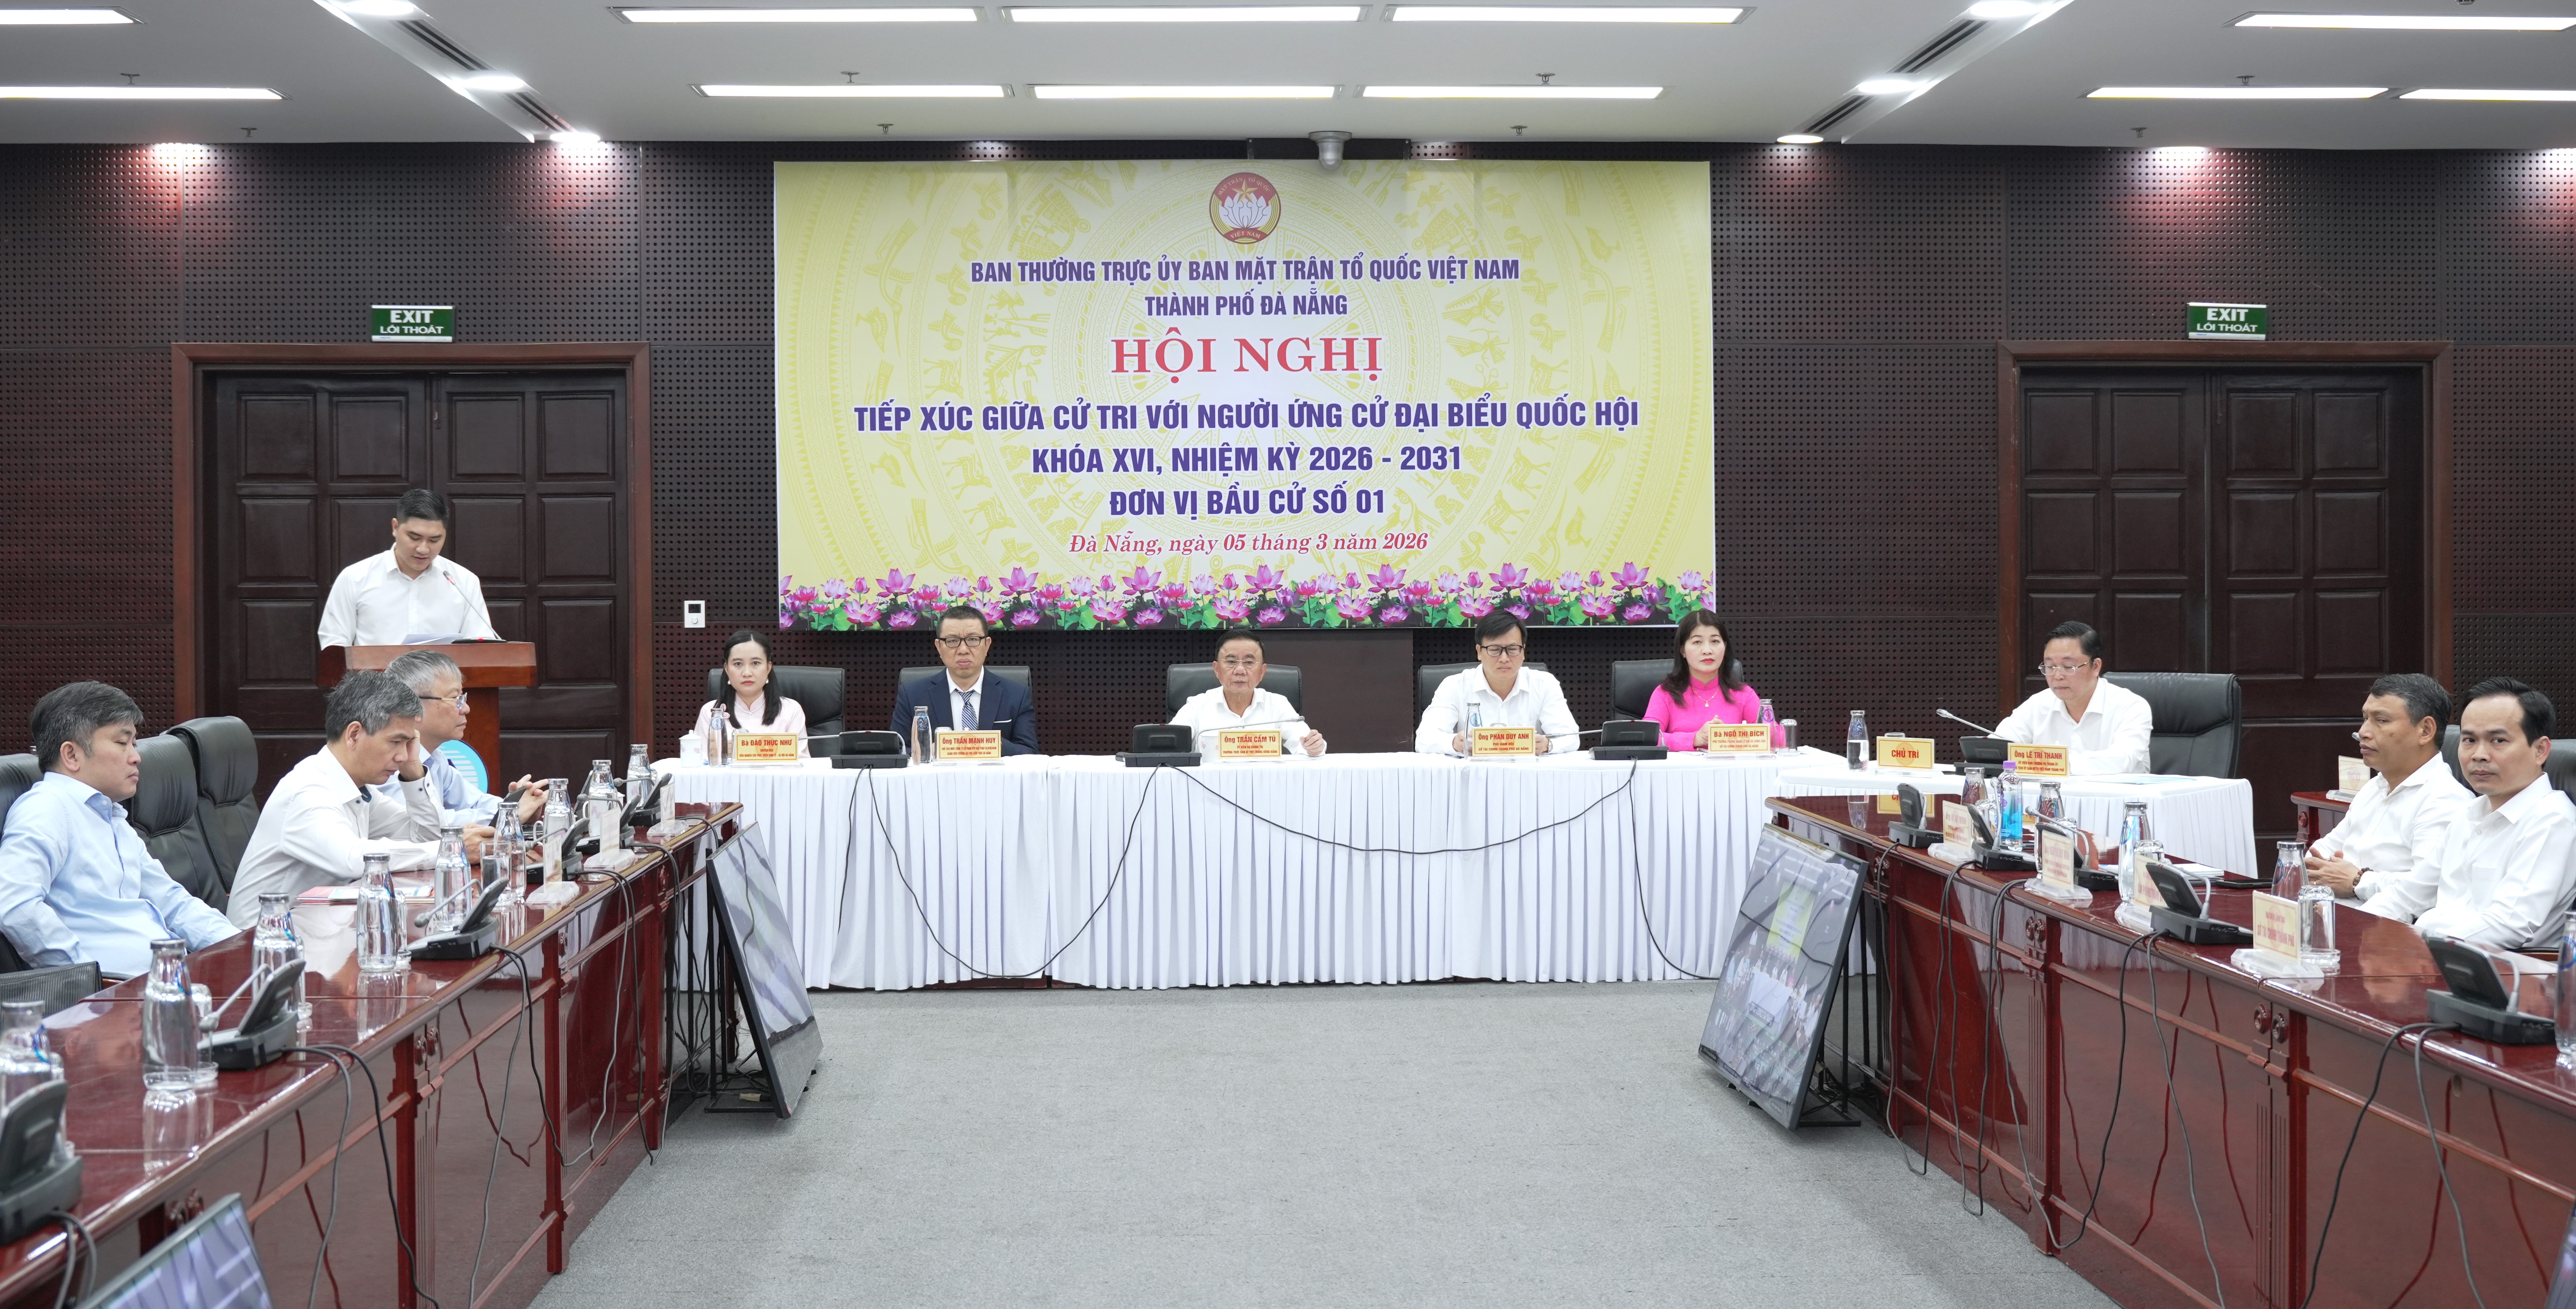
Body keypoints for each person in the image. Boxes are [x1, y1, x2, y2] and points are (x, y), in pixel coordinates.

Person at [0, 682, 238, 978]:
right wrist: (88, 979)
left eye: (134, 744)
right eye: (122, 743)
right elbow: (15, 905)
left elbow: (172, 903)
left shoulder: (108, 814)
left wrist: (241, 948)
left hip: (166, 978)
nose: (136, 757)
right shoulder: (46, 808)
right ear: (72, 755)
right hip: (114, 991)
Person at [227, 670, 491, 926]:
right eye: (396, 742)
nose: (403, 756)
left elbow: (426, 836)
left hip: (318, 928)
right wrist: (452, 850)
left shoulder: (361, 789)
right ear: (354, 735)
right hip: (260, 942)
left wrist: (413, 772)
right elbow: (353, 860)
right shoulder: (307, 790)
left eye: (409, 743)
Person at [2361, 677, 2576, 952]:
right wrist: (2356, 932)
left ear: (2540, 751)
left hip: (2499, 968)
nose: (2479, 755)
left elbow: (2508, 925)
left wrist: (2418, 946)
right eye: (2470, 740)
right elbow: (2408, 895)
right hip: (2433, 954)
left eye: (2498, 741)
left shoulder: (2552, 821)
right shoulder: (2469, 814)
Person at [2303, 674, 2472, 905]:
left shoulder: (2444, 800)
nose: (2363, 732)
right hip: (2334, 912)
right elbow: (2322, 849)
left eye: (2381, 721)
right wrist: (2324, 870)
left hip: (2388, 923)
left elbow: (2428, 891)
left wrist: (2358, 881)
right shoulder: (2375, 787)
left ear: (2425, 731)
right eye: (2365, 718)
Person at [381, 648, 548, 829]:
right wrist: (510, 814)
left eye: (463, 697)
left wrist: (516, 805)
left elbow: (476, 802)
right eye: (455, 698)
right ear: (413, 707)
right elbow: (421, 825)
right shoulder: (389, 763)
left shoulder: (435, 758)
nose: (466, 708)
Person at [317, 487, 499, 648]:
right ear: (396, 527)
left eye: (435, 540)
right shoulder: (355, 578)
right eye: (414, 538)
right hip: (376, 678)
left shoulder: (463, 582)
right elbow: (335, 644)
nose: (423, 549)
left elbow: (480, 645)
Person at [1992, 620, 2154, 776]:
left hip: (2115, 795)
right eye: (2050, 667)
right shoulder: (2037, 705)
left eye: (2068, 667)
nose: (2057, 676)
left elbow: (2124, 759)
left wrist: (2056, 763)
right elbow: (1997, 750)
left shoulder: (2131, 706)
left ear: (2095, 667)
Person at [1416, 612, 1579, 756]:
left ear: (1523, 651)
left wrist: (1548, 745)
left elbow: (1570, 737)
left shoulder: (1544, 684)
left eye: (1513, 649)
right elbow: (1425, 739)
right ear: (1479, 652)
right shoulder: (1454, 686)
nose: (1504, 659)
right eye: (1495, 650)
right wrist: (1455, 743)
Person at [889, 607, 1040, 755]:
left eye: (973, 639)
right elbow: (897, 752)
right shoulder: (912, 695)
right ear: (939, 647)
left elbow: (1030, 753)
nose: (963, 650)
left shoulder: (1017, 695)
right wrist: (929, 752)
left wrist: (991, 744)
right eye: (952, 641)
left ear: (987, 645)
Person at [1169, 630, 1326, 757]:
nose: (1240, 671)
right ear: (1217, 669)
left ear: (1262, 672)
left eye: (1249, 663)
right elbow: (1170, 745)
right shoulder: (1197, 706)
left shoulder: (1278, 705)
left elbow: (1306, 743)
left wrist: (1313, 747)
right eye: (1231, 662)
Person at [1640, 612, 1781, 751]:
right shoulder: (1665, 694)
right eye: (1697, 642)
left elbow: (1779, 739)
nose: (1707, 651)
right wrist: (1695, 739)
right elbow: (1646, 737)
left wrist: (1733, 736)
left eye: (1715, 641)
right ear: (1683, 650)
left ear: (1725, 647)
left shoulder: (1744, 694)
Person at [695, 629, 808, 744]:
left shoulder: (791, 710)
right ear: (727, 669)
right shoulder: (710, 713)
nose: (747, 673)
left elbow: (800, 755)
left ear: (768, 668)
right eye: (738, 664)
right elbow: (701, 755)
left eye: (755, 663)